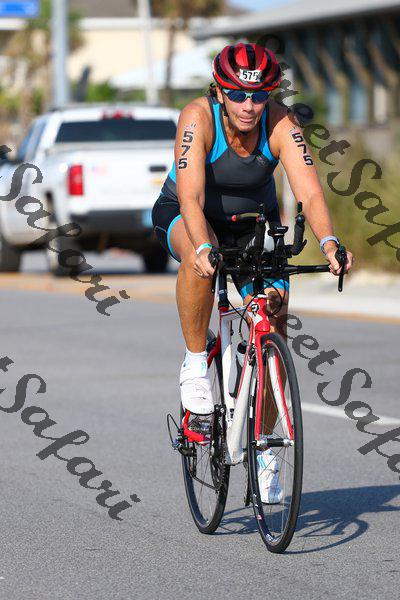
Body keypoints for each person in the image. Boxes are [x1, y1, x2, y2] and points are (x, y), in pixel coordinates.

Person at [152, 43, 353, 502]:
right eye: (238, 95)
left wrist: (329, 242)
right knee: (199, 260)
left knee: (274, 316)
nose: (249, 106)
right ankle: (196, 363)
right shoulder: (197, 118)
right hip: (189, 214)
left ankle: (265, 447)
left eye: (259, 96)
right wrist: (205, 247)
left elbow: (310, 194)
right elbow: (191, 199)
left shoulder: (281, 123)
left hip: (253, 226)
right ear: (219, 91)